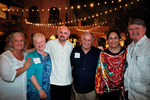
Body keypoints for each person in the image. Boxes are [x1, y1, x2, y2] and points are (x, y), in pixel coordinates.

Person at [95, 30, 128, 100]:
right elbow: (99, 72)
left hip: (122, 90)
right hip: (106, 90)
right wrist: (98, 88)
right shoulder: (103, 54)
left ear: (119, 40)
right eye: (111, 38)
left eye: (115, 38)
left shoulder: (126, 52)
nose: (113, 40)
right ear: (107, 41)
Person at [0, 32, 33, 100]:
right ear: (11, 43)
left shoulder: (25, 54)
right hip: (9, 94)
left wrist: (40, 46)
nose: (19, 42)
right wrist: (24, 68)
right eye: (16, 40)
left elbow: (31, 50)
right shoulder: (5, 56)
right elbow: (6, 76)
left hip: (23, 93)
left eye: (21, 40)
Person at [44, 26, 73, 100]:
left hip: (67, 81)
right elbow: (42, 53)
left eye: (65, 33)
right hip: (54, 81)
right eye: (61, 32)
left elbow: (71, 62)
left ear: (68, 36)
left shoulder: (70, 45)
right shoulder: (50, 43)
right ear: (57, 33)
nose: (62, 34)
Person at [124, 18, 150, 100]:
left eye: (137, 28)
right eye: (131, 29)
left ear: (144, 29)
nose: (134, 31)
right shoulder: (129, 47)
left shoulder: (148, 46)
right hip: (129, 93)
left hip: (144, 95)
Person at [71, 32, 101, 100]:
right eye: (85, 39)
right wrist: (71, 77)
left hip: (91, 87)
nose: (86, 42)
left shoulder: (98, 52)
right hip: (77, 86)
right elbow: (71, 65)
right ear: (81, 40)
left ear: (92, 41)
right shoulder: (74, 51)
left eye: (89, 40)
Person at [26, 33, 52, 100]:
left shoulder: (48, 55)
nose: (40, 44)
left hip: (47, 88)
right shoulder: (31, 56)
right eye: (37, 42)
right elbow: (30, 74)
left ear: (45, 42)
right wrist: (40, 89)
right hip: (35, 90)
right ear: (34, 44)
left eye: (41, 41)